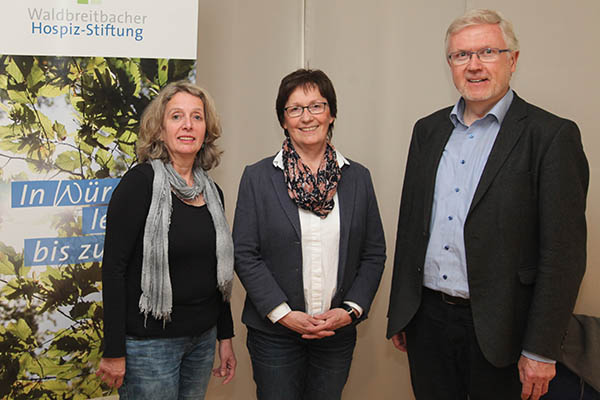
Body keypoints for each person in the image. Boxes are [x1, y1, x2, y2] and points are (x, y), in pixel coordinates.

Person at [386, 9, 588, 400]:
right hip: (427, 322)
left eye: (487, 52)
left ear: (512, 60)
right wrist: (402, 310)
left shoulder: (551, 136)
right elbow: (411, 226)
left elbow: (563, 254)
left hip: (504, 331)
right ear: (450, 64)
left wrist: (541, 349)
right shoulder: (427, 131)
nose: (474, 66)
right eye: (461, 55)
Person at [233, 68, 386, 400]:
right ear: (283, 119)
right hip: (274, 334)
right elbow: (245, 253)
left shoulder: (358, 178)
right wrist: (284, 315)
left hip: (336, 335)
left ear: (331, 114)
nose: (307, 117)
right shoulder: (258, 178)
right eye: (295, 109)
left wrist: (350, 311)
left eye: (316, 106)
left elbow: (374, 254)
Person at [95, 80, 237, 399]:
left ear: (206, 129)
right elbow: (114, 270)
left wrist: (224, 337)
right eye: (176, 116)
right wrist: (114, 350)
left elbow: (219, 275)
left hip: (202, 341)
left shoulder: (213, 193)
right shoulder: (138, 185)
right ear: (160, 130)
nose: (187, 125)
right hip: (149, 346)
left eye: (197, 117)